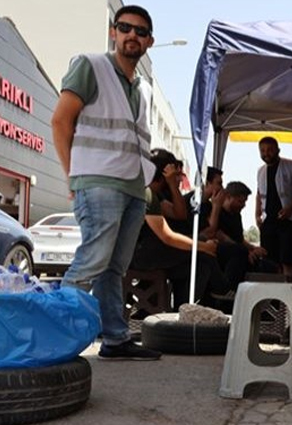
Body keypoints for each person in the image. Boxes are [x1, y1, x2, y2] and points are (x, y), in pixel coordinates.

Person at [52, 5, 160, 360]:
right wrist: (72, 176)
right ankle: (56, 337)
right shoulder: (91, 65)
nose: (132, 35)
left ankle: (115, 338)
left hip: (132, 188)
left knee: (114, 268)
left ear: (149, 42)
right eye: (125, 27)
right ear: (113, 32)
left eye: (140, 31)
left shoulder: (143, 89)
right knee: (92, 262)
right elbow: (60, 121)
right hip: (98, 182)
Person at [130, 150, 227, 309]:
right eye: (177, 174)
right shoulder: (146, 194)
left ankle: (181, 310)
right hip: (140, 255)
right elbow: (168, 237)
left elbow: (180, 214)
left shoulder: (156, 195)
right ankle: (222, 289)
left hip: (149, 252)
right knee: (203, 249)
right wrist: (204, 247)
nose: (180, 178)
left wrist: (173, 185)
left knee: (200, 266)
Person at [255, 137, 292, 281]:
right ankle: (271, 292)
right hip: (269, 221)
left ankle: (289, 291)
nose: (266, 154)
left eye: (270, 150)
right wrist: (257, 214)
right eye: (262, 151)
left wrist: (290, 208)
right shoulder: (260, 171)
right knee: (268, 260)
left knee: (288, 260)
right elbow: (259, 193)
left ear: (278, 150)